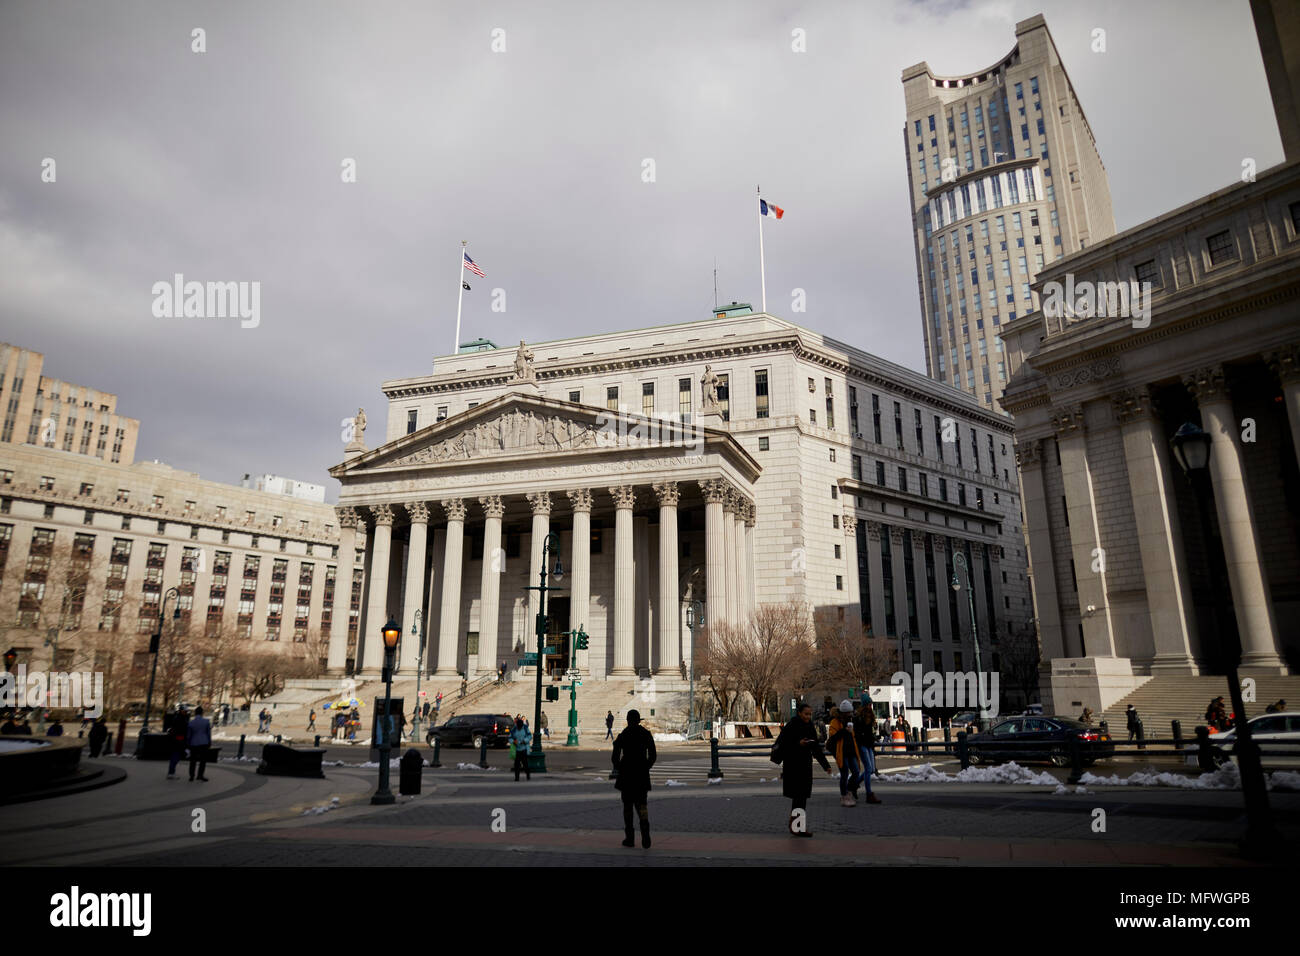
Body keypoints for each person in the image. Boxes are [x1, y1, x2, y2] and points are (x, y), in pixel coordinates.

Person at [773, 701, 831, 837]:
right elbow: (783, 744)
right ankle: (797, 826)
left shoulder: (810, 726)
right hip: (793, 765)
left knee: (803, 796)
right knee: (798, 796)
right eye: (806, 714)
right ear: (799, 713)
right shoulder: (792, 725)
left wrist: (826, 765)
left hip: (805, 765)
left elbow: (816, 747)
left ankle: (796, 824)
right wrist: (798, 743)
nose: (808, 717)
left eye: (810, 714)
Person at [611, 709, 657, 848]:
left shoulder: (624, 735)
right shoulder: (645, 734)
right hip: (641, 775)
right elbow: (653, 755)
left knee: (628, 808)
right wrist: (645, 767)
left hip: (626, 775)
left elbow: (614, 757)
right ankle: (645, 836)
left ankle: (629, 838)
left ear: (628, 720)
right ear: (638, 720)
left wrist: (620, 768)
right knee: (642, 806)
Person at [826, 701, 862, 807]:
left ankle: (849, 790)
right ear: (843, 713)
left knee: (856, 772)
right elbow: (833, 737)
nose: (850, 714)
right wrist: (844, 731)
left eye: (850, 712)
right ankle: (844, 795)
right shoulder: (835, 722)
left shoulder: (851, 721)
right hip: (841, 752)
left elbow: (854, 737)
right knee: (844, 774)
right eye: (848, 713)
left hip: (851, 752)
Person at [855, 703, 882, 801]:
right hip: (863, 745)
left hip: (869, 745)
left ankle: (855, 784)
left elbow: (870, 733)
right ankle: (869, 793)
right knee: (868, 768)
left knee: (871, 770)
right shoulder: (859, 720)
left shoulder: (870, 720)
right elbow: (858, 734)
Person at [187, 706, 212, 781]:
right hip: (204, 742)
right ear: (202, 713)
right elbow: (208, 733)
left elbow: (189, 735)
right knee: (203, 760)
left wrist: (188, 743)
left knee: (193, 760)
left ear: (195, 713)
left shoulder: (191, 723)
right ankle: (200, 775)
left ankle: (191, 776)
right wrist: (209, 742)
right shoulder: (206, 721)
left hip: (193, 743)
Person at [166, 707, 190, 780]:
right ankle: (171, 773)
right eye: (184, 711)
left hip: (177, 740)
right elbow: (182, 730)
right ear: (181, 711)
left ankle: (171, 772)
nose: (186, 712)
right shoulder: (180, 719)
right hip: (178, 740)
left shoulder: (179, 718)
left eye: (186, 711)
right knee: (175, 756)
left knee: (176, 756)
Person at [510, 717, 532, 781]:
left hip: (524, 749)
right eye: (518, 727)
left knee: (525, 764)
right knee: (516, 764)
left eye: (520, 727)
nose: (519, 728)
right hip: (517, 750)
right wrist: (513, 741)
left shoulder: (525, 728)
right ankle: (517, 777)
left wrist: (525, 741)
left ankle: (528, 775)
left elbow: (530, 736)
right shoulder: (514, 729)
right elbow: (510, 737)